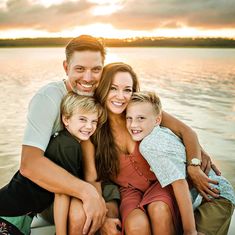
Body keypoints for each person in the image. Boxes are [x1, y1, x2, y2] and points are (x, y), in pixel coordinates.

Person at [91, 62, 234, 235]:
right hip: (131, 191)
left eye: (127, 90)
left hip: (163, 184)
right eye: (113, 88)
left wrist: (193, 164)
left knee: (159, 209)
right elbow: (95, 178)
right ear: (103, 88)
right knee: (136, 225)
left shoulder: (142, 115)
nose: (120, 96)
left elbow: (186, 131)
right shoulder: (93, 127)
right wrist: (107, 213)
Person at [0, 35, 121, 235]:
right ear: (66, 67)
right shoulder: (48, 98)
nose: (88, 78)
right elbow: (29, 164)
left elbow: (159, 117)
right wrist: (88, 192)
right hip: (51, 192)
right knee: (79, 214)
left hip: (94, 182)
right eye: (80, 69)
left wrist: (193, 163)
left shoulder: (106, 94)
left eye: (96, 69)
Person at [126, 91, 235, 235]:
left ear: (158, 120)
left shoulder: (149, 144)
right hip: (204, 195)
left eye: (141, 118)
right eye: (129, 118)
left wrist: (190, 231)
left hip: (215, 196)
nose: (133, 124)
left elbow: (180, 184)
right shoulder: (162, 132)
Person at [0, 93, 106, 235]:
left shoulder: (66, 140)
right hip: (9, 214)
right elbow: (62, 193)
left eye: (94, 121)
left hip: (18, 211)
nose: (89, 126)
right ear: (66, 119)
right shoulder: (68, 146)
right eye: (82, 119)